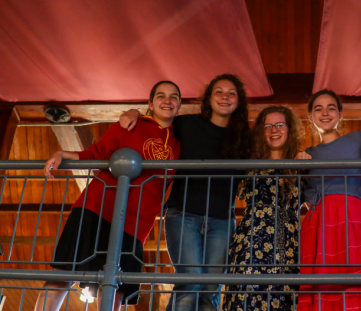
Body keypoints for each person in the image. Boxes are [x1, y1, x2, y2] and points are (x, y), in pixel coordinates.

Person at [35, 81, 182, 311]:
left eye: (173, 97)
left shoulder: (180, 140)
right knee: (63, 275)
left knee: (114, 289)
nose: (167, 100)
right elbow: (97, 153)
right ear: (150, 103)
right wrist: (62, 153)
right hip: (97, 206)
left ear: (179, 105)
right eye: (161, 96)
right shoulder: (130, 125)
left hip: (136, 223)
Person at [119, 74, 251, 311]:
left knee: (211, 290)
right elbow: (158, 121)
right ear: (208, 98)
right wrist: (134, 112)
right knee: (191, 281)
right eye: (219, 91)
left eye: (232, 93)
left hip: (222, 219)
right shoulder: (187, 124)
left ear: (238, 101)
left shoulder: (245, 137)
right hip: (183, 215)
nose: (225, 97)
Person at [296, 89, 361, 311]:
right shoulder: (307, 154)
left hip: (353, 218)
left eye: (331, 108)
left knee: (360, 281)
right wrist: (297, 165)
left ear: (340, 114)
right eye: (318, 109)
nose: (325, 113)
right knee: (322, 286)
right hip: (319, 224)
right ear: (310, 116)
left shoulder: (360, 139)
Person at [223, 106, 302, 311]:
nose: (273, 130)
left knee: (283, 300)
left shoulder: (302, 162)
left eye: (279, 125)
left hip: (288, 244)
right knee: (246, 300)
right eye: (267, 126)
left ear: (290, 128)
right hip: (250, 242)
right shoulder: (248, 161)